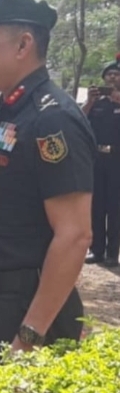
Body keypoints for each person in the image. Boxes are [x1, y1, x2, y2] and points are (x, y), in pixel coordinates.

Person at [0, 0, 93, 377]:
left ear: (23, 45)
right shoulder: (9, 111)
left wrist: (30, 337)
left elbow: (74, 235)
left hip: (28, 315)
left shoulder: (52, 118)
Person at [81, 56, 120, 268]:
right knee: (96, 206)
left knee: (115, 207)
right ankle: (96, 250)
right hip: (97, 160)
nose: (112, 78)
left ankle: (113, 253)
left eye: (116, 74)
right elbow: (78, 120)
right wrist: (89, 102)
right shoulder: (96, 102)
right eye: (109, 75)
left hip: (117, 161)